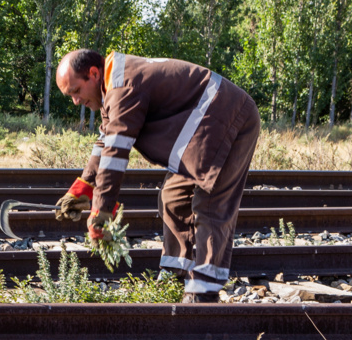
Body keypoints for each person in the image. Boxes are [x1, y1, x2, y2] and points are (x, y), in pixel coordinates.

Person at [53, 49, 260, 303]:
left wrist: (101, 212)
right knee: (172, 197)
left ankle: (203, 295)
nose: (75, 101)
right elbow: (106, 141)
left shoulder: (123, 85)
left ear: (93, 74)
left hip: (231, 119)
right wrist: (83, 187)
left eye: (75, 91)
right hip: (205, 131)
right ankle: (175, 272)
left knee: (210, 205)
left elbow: (116, 154)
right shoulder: (113, 84)